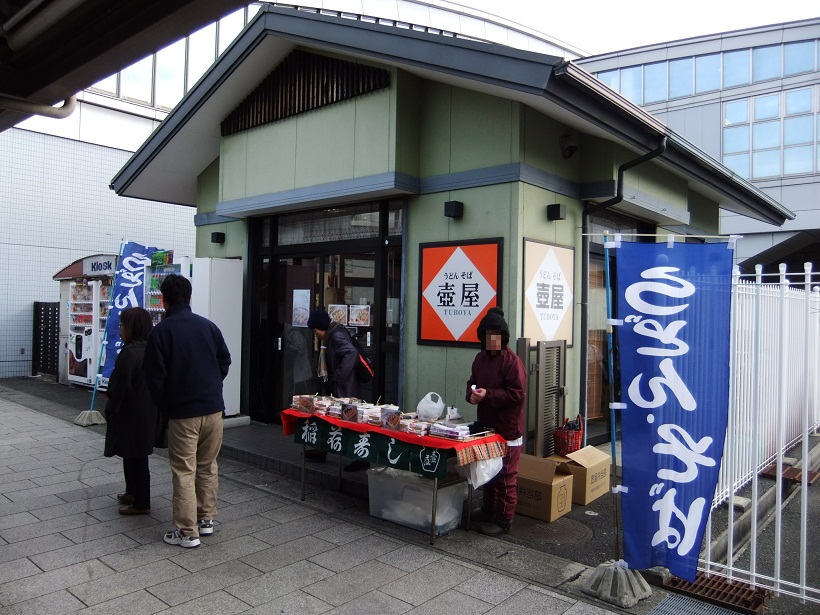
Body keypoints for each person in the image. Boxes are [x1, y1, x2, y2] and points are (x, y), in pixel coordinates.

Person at [143, 274, 231, 548]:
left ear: (164, 300)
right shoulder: (208, 327)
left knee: (184, 470)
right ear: (189, 297)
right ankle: (206, 520)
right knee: (208, 466)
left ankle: (186, 531)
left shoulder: (160, 332)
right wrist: (211, 387)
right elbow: (224, 361)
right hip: (214, 409)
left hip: (183, 413)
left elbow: (154, 377)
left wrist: (166, 403)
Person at [465, 307, 527, 536]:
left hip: (508, 428)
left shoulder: (512, 362)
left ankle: (504, 521)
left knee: (505, 477)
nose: (492, 341)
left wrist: (488, 395)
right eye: (487, 336)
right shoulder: (480, 359)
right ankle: (488, 511)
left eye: (496, 337)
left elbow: (517, 394)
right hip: (487, 427)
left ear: (504, 338)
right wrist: (471, 394)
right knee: (488, 472)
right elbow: (472, 382)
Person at [104, 307, 160, 516]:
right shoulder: (151, 349)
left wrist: (112, 408)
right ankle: (132, 492)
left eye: (122, 324)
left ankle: (141, 502)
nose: (120, 329)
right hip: (148, 409)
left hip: (131, 413)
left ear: (131, 327)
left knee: (136, 457)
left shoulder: (129, 353)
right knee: (133, 454)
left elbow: (119, 387)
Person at [305, 309, 368, 471]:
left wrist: (338, 377)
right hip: (339, 386)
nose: (315, 333)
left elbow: (351, 354)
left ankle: (361, 459)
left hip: (346, 388)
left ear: (321, 327)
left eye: (315, 330)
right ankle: (322, 450)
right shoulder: (331, 335)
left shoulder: (336, 335)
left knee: (351, 420)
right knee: (328, 416)